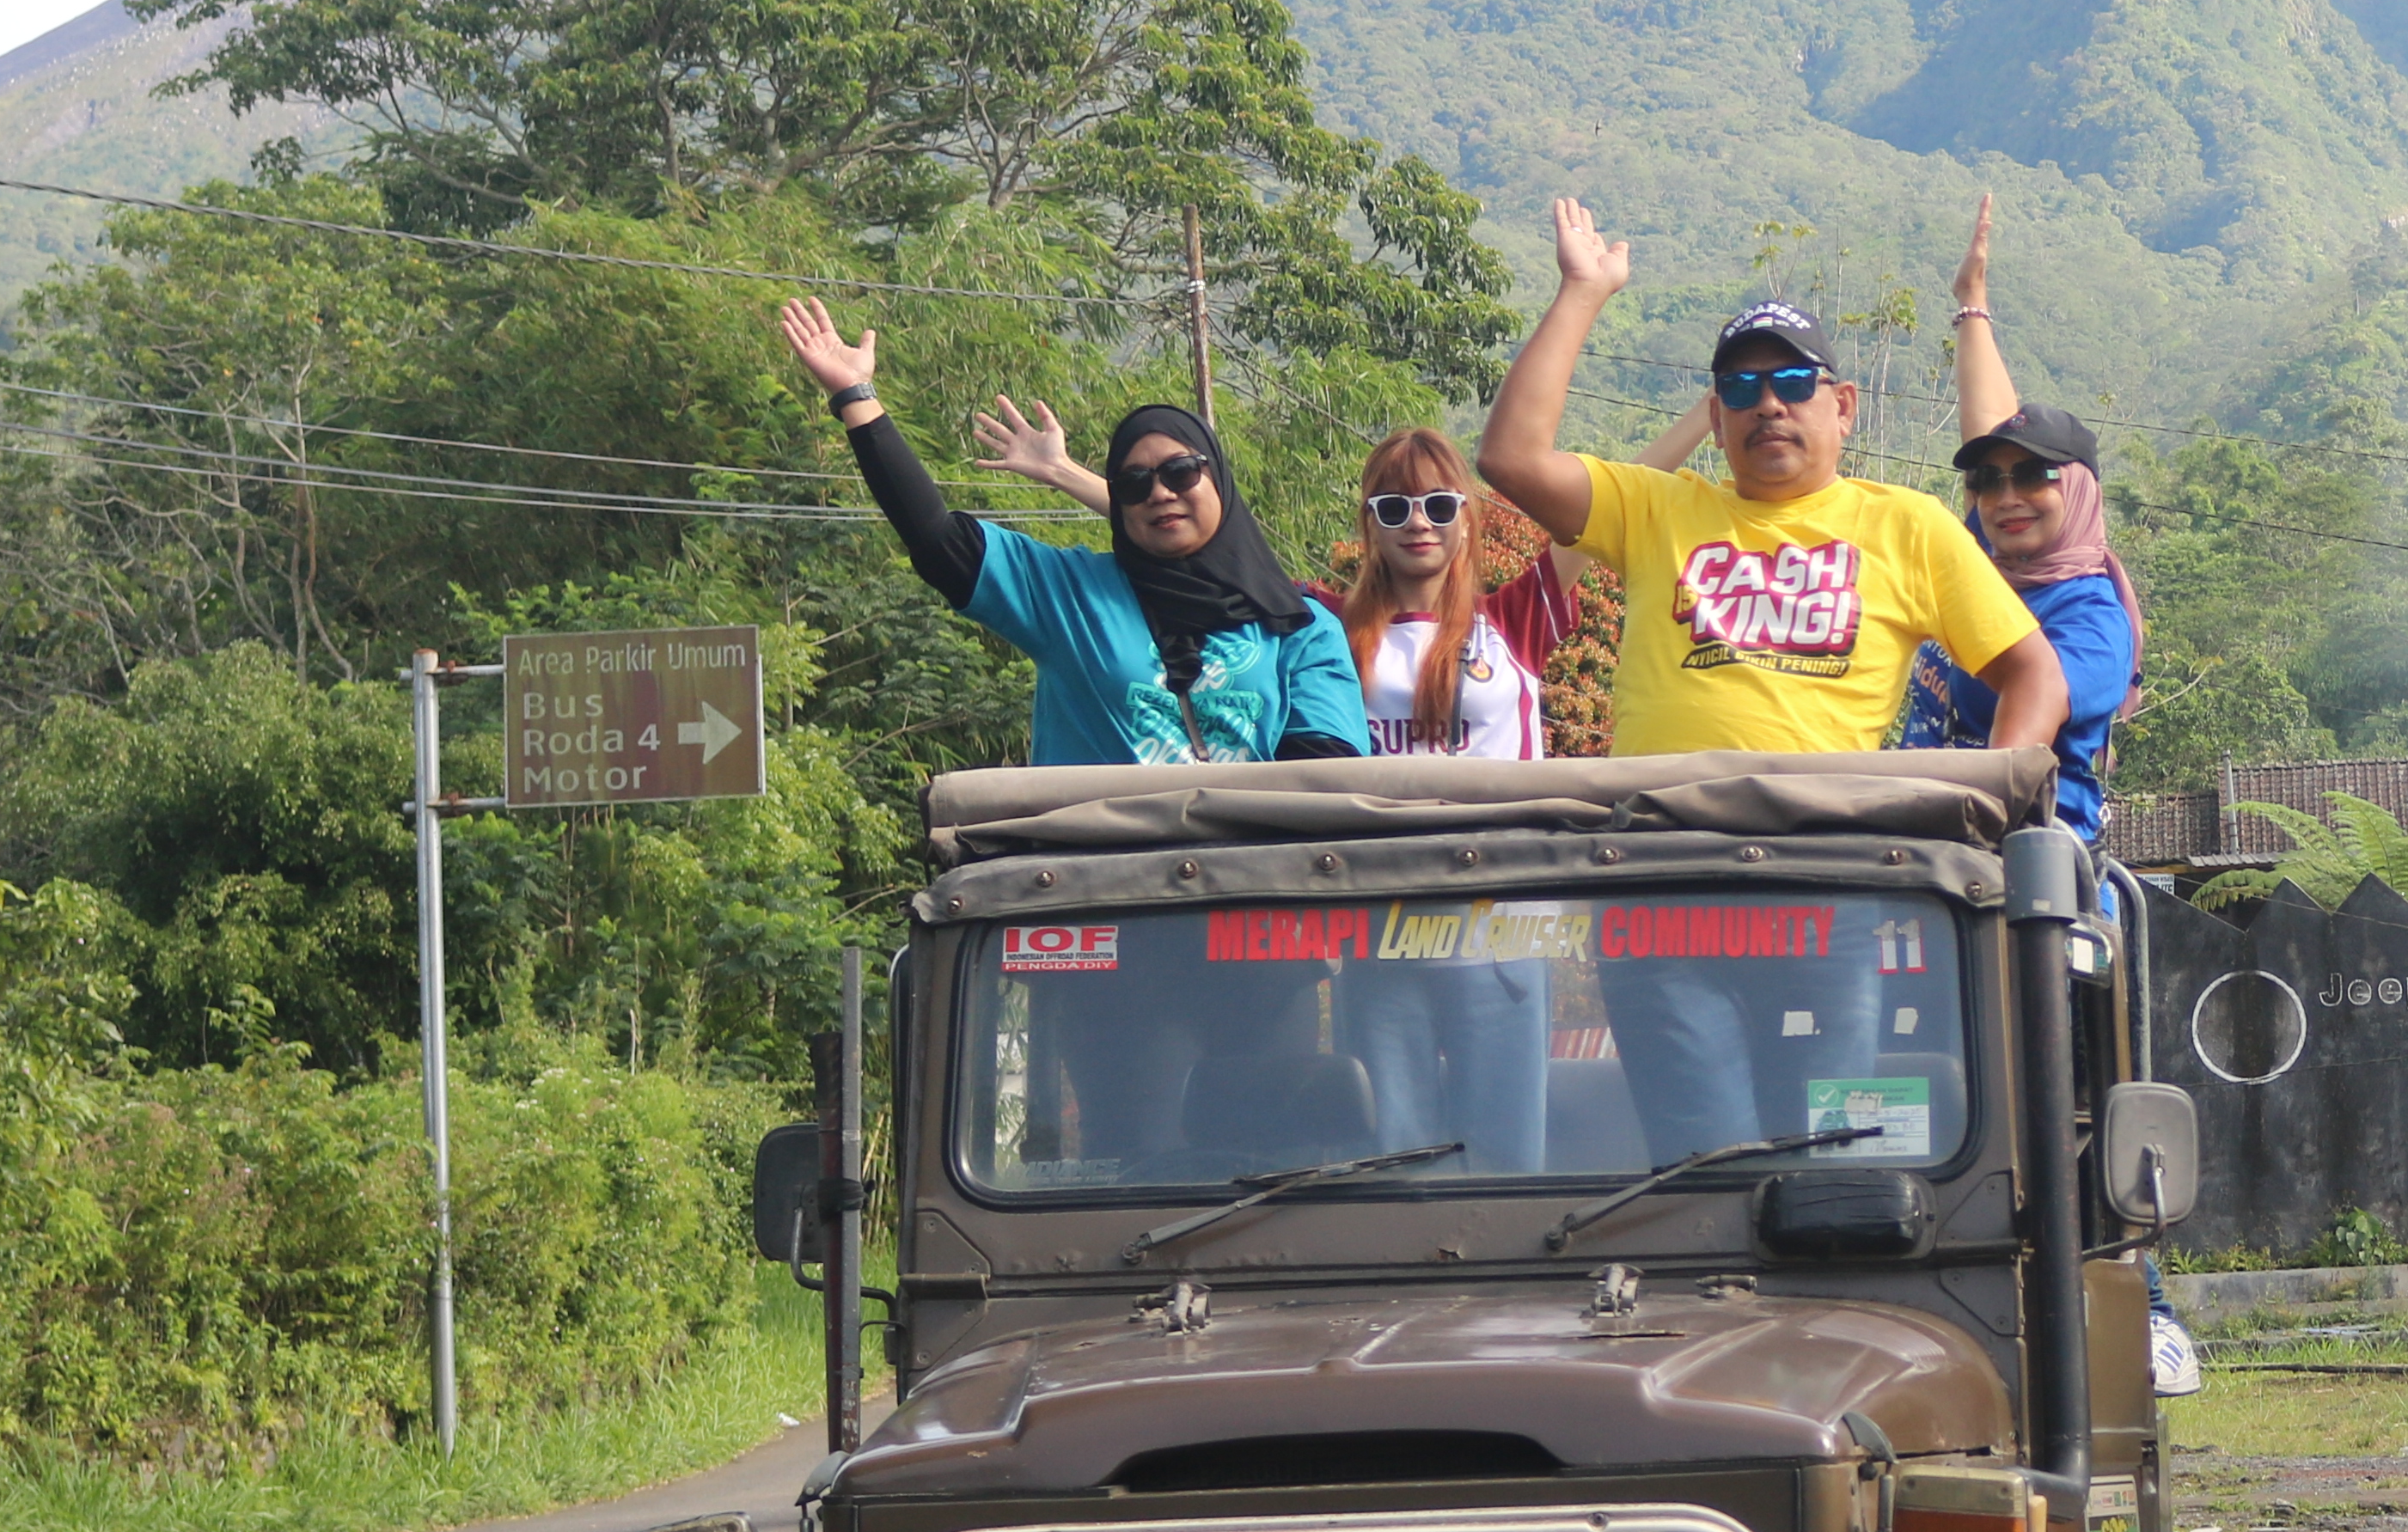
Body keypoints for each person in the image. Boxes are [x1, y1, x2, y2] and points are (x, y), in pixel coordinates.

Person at [1479, 198, 2067, 1154]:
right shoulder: (1658, 508)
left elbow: (2034, 676)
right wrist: (1584, 293)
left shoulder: (1906, 526)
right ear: (1714, 416)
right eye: (1742, 388)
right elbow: (1509, 458)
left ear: (1842, 405)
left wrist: (1986, 807)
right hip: (1661, 889)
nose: (1769, 405)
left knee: (1832, 1152)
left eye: (1793, 381)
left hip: (1826, 888)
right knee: (1701, 1156)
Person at [774, 300, 1369, 766]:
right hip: (1098, 897)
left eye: (1181, 472)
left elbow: (1324, 771)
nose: (1159, 493)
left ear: (1220, 481)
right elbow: (937, 540)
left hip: (1240, 903)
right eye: (1133, 483)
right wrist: (856, 397)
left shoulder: (1299, 624)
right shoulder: (1072, 595)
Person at [978, 406, 1586, 758]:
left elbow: (1610, 512)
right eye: (1395, 508)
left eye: (1440, 506)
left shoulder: (1512, 622)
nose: (1419, 523)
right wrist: (1066, 473)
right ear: (1369, 525)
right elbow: (1203, 540)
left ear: (1468, 519)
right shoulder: (1317, 624)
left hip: (1502, 913)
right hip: (1375, 911)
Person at [1886, 192, 2138, 846]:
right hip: (1926, 854)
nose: (2005, 499)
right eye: (1986, 482)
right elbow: (1987, 420)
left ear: (2079, 492)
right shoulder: (1987, 559)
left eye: (2034, 476)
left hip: (2029, 874)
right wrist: (1972, 304)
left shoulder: (2092, 621)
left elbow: (2036, 705)